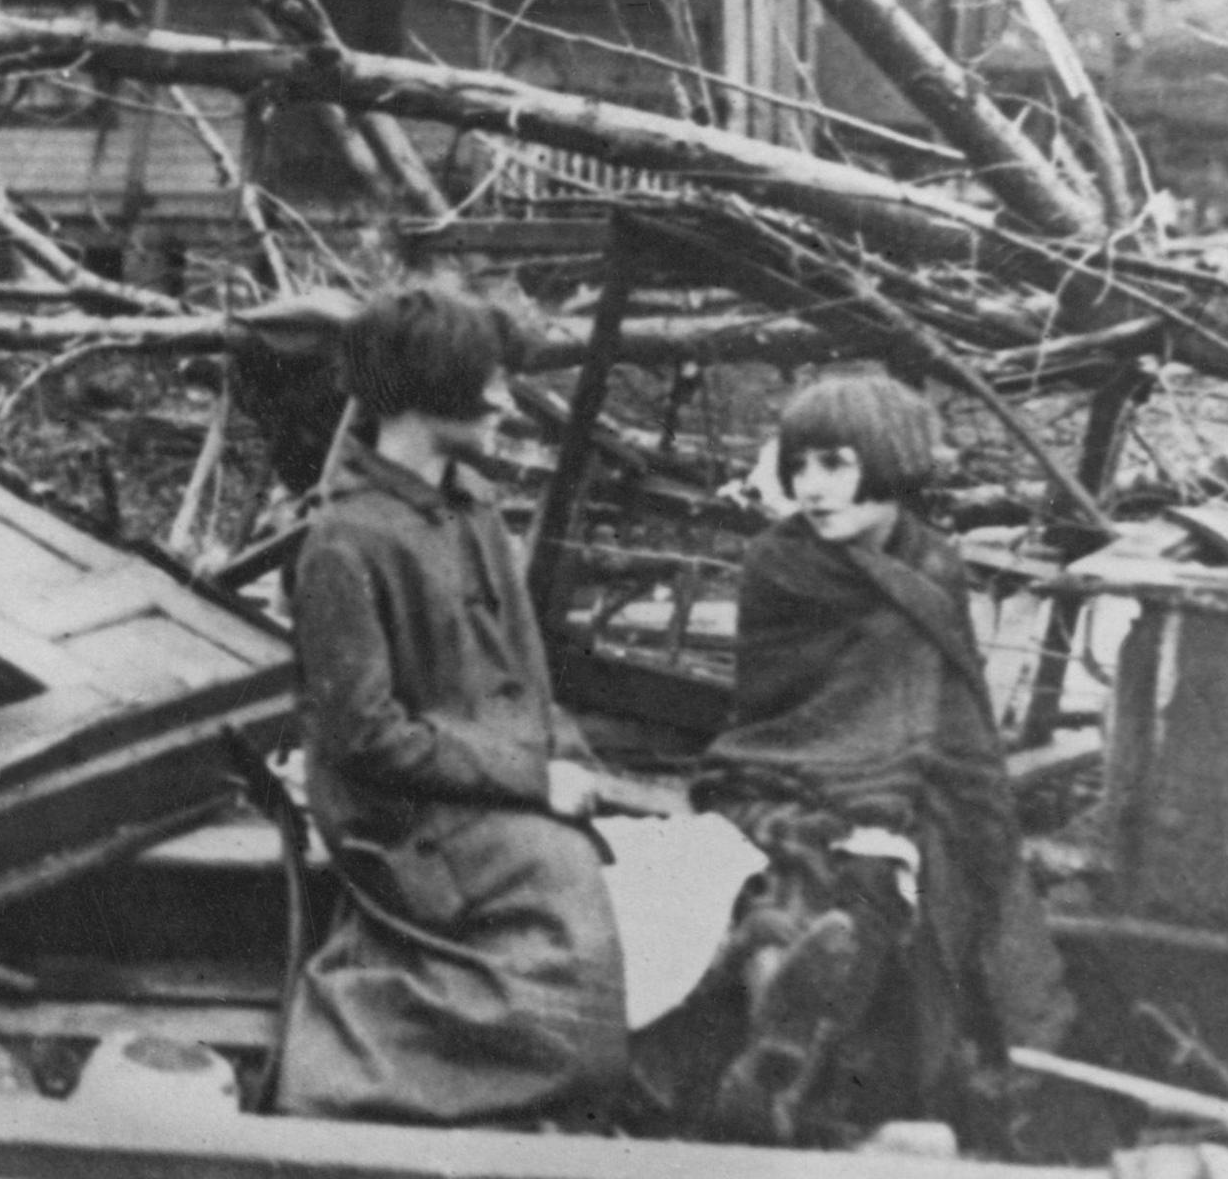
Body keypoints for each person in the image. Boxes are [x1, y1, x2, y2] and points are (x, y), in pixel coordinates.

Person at [642, 372, 1072, 1152]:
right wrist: (845, 783)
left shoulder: (933, 567)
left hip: (910, 779)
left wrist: (948, 804)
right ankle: (779, 1044)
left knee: (889, 870)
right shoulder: (778, 565)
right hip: (776, 767)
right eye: (800, 465)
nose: (812, 488)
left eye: (835, 464)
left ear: (890, 460)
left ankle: (790, 1074)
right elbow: (776, 712)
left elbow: (948, 708)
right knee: (795, 858)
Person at [276, 282, 632, 1126]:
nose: (508, 403)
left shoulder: (473, 505)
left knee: (642, 872)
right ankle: (367, 1085)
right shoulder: (343, 543)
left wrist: (566, 759)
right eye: (490, 382)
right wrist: (531, 783)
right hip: (403, 815)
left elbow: (527, 668)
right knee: (570, 965)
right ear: (428, 390)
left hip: (488, 782)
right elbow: (365, 739)